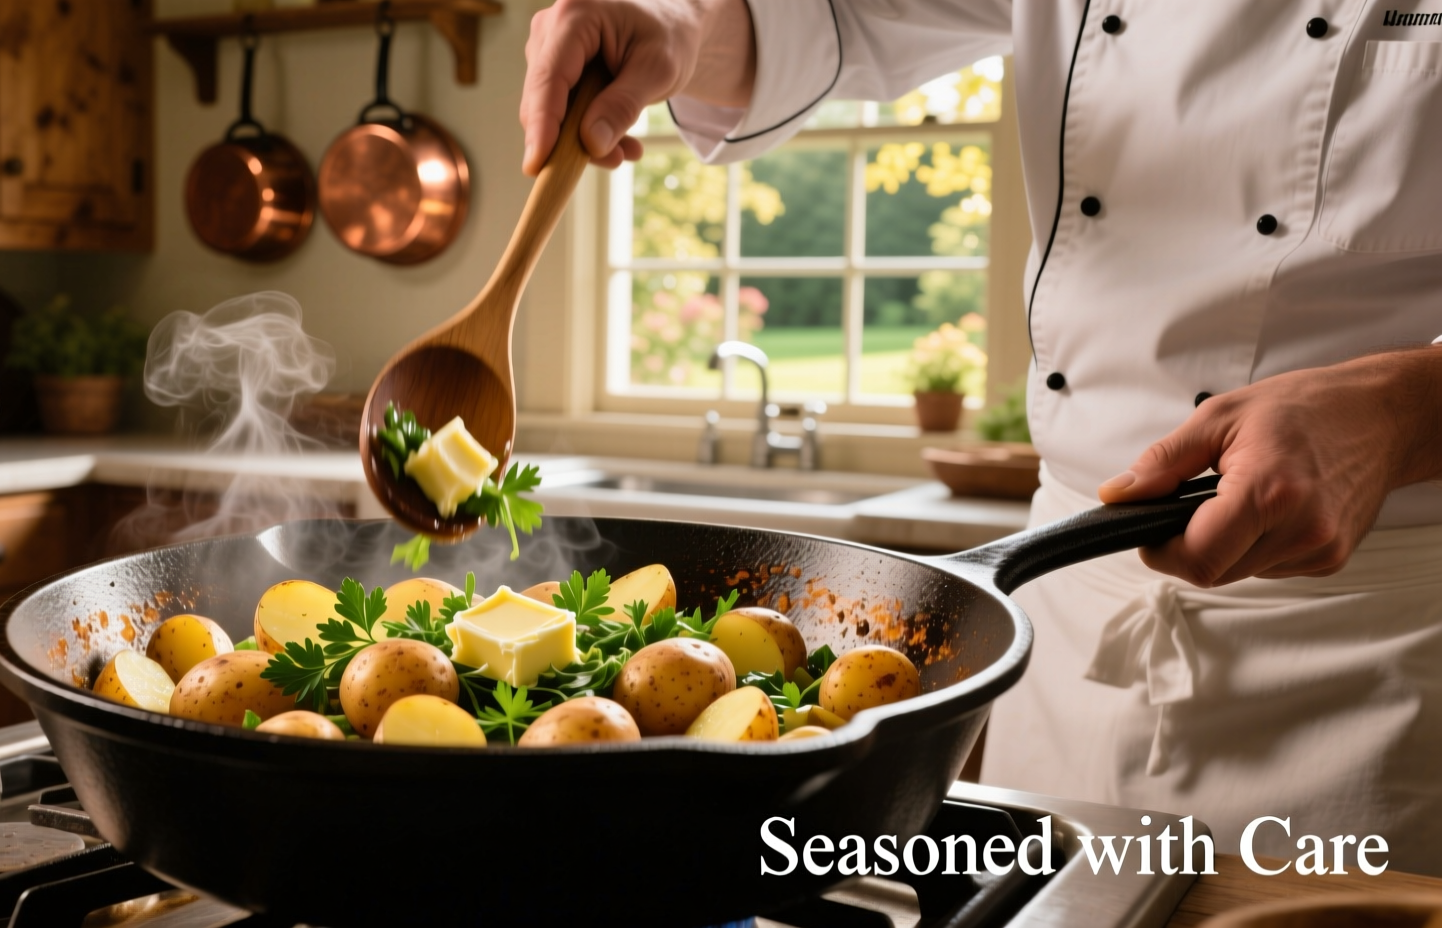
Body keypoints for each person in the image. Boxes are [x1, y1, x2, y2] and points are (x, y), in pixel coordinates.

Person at [520, 0, 1442, 872]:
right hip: (1068, 623)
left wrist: (1409, 407)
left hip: (1374, 642)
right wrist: (682, 21)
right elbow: (832, 19)